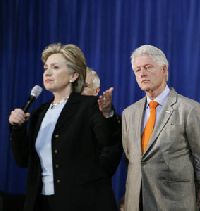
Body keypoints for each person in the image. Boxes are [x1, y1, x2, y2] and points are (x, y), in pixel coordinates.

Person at [8, 43, 121, 211]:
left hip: (82, 202)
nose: (47, 72)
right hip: (42, 202)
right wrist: (17, 129)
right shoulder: (39, 112)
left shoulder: (89, 106)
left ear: (73, 75)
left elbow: (107, 139)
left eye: (55, 67)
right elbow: (23, 160)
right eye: (46, 68)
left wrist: (107, 114)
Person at [122, 44, 200, 210]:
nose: (142, 73)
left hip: (175, 204)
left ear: (164, 70)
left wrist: (196, 202)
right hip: (136, 204)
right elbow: (132, 158)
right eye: (137, 69)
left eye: (148, 67)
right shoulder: (129, 114)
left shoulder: (189, 109)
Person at [82, 67, 122, 177]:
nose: (78, 91)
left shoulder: (111, 122)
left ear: (96, 91)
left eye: (84, 86)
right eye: (76, 86)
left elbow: (107, 166)